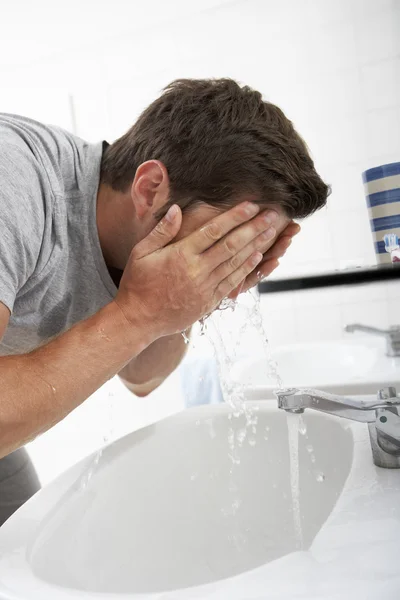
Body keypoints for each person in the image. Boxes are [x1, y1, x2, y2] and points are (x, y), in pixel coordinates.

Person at [0, 78, 329, 526]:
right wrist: (139, 313)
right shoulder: (14, 181)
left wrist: (192, 300)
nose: (232, 258)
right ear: (151, 187)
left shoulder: (133, 242)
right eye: (228, 237)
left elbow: (142, 376)